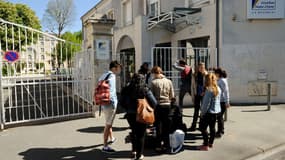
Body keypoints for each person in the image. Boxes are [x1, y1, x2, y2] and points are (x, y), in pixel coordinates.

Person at [121, 73, 150, 160]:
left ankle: (134, 151)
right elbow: (154, 102)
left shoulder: (126, 89)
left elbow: (121, 102)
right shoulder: (145, 89)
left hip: (130, 114)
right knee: (141, 134)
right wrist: (148, 108)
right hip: (142, 114)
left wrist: (128, 108)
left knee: (134, 131)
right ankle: (139, 154)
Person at [150, 66, 175, 152]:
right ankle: (166, 144)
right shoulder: (169, 81)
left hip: (158, 105)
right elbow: (172, 96)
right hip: (167, 105)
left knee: (158, 126)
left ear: (154, 73)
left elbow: (151, 96)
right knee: (166, 126)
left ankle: (158, 145)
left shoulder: (153, 82)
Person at [99, 60, 121, 153]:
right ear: (114, 68)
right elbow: (111, 92)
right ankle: (105, 146)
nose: (119, 70)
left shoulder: (103, 75)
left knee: (109, 121)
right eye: (118, 68)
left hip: (103, 102)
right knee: (108, 124)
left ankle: (111, 137)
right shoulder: (112, 76)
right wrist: (114, 103)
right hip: (110, 103)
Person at [198, 73, 221, 151]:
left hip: (208, 112)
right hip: (216, 112)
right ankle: (210, 143)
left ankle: (205, 145)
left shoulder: (209, 90)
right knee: (212, 128)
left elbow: (206, 104)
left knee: (202, 128)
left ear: (207, 80)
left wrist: (202, 113)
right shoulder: (218, 88)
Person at [188, 62, 208, 131]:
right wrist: (193, 95)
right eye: (200, 67)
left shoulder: (206, 74)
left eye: (203, 67)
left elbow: (208, 85)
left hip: (204, 95)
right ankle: (193, 126)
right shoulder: (194, 75)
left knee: (203, 111)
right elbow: (192, 86)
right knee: (196, 111)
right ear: (198, 68)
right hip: (197, 95)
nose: (202, 69)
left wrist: (204, 92)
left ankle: (201, 126)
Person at [214, 68, 230, 138]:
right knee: (219, 117)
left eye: (215, 73)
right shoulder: (219, 80)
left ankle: (219, 132)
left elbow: (226, 92)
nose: (214, 74)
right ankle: (221, 130)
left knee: (219, 117)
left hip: (222, 101)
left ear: (218, 73)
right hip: (219, 101)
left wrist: (227, 102)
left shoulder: (222, 81)